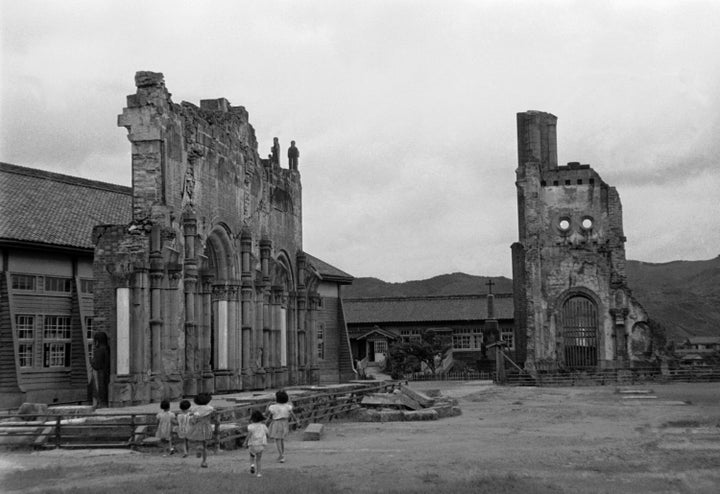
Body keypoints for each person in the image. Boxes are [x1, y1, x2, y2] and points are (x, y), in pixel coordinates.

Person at [265, 390, 297, 463]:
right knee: (281, 439)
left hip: (277, 423)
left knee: (278, 440)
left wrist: (268, 405)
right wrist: (297, 421)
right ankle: (281, 454)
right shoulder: (287, 406)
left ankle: (282, 456)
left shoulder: (273, 407)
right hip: (285, 423)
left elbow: (267, 413)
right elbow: (292, 414)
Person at [187, 392, 214, 468]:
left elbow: (191, 416)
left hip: (197, 426)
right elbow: (212, 413)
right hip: (206, 426)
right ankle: (204, 461)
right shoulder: (209, 408)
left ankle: (198, 449)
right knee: (205, 444)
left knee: (197, 440)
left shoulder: (194, 408)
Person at [243, 410, 269, 477]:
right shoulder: (263, 426)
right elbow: (267, 433)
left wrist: (245, 442)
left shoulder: (251, 426)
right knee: (258, 459)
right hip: (260, 444)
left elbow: (249, 434)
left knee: (252, 455)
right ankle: (259, 473)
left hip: (252, 444)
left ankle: (252, 465)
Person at [90, 332, 111, 408]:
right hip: (107, 373)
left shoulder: (99, 350)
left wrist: (91, 361)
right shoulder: (107, 349)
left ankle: (100, 403)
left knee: (100, 389)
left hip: (100, 374)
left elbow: (96, 365)